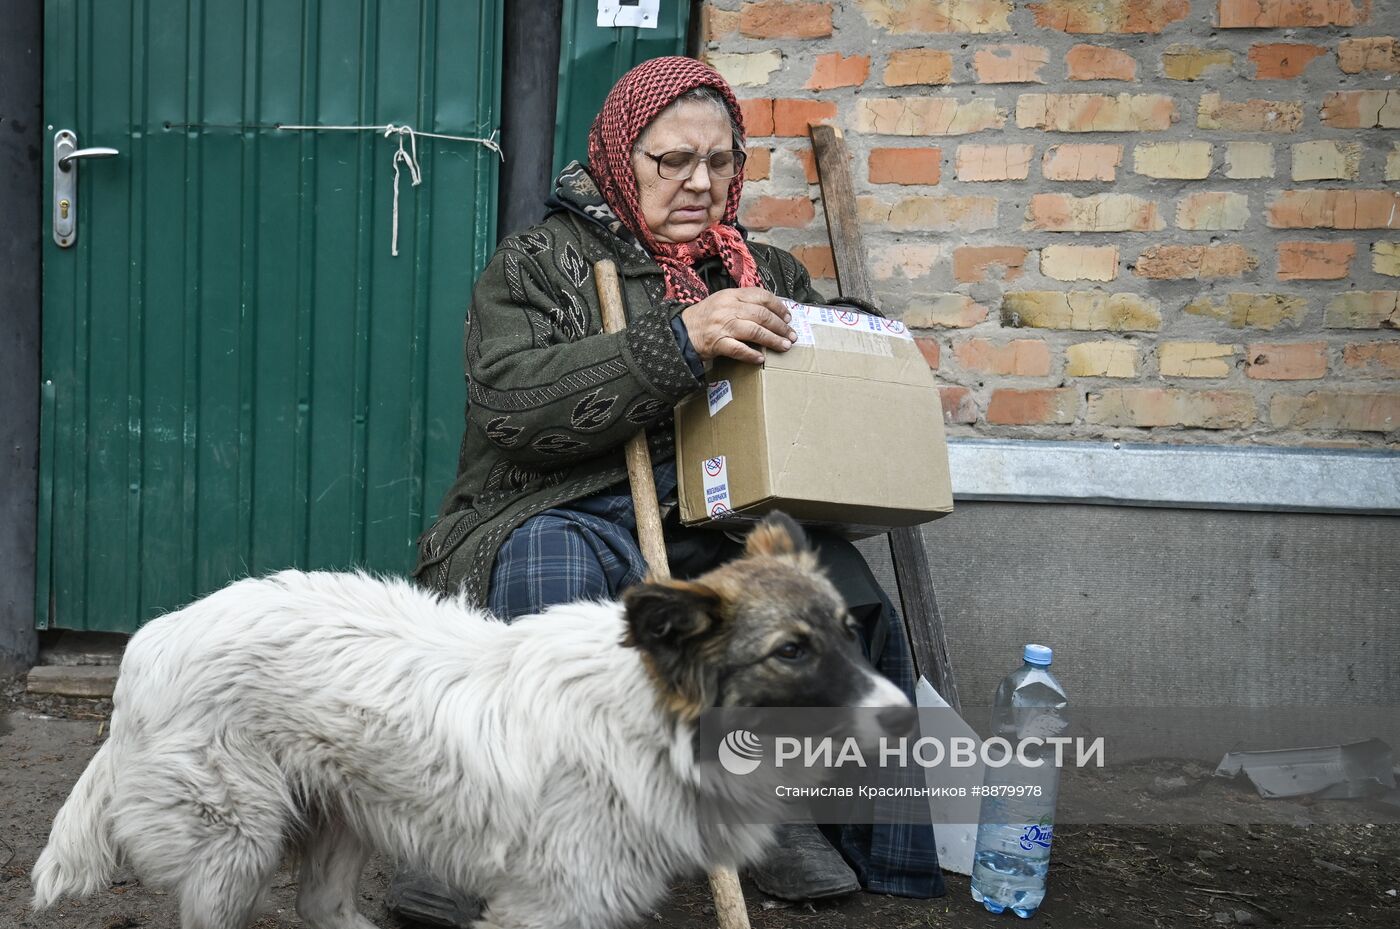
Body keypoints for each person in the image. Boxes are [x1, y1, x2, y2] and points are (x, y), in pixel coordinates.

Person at [400, 56, 945, 928]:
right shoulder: (541, 262)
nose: (700, 181)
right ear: (624, 155)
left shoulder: (761, 270)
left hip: (719, 520)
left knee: (834, 593)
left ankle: (787, 815)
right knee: (543, 580)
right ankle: (490, 847)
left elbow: (810, 406)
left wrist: (856, 350)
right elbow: (510, 402)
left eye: (721, 161)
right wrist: (679, 341)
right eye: (672, 161)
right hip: (556, 503)